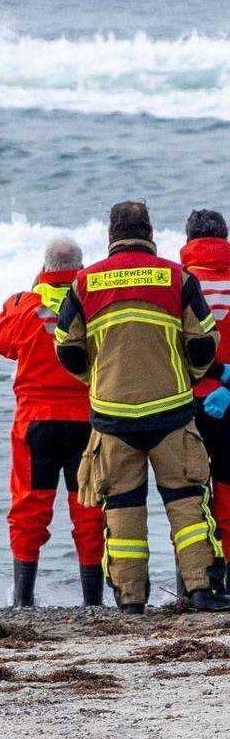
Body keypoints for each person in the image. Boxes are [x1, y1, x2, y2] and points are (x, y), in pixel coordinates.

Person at [54, 201, 230, 613]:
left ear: (110, 235)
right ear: (150, 233)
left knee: (122, 509)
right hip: (172, 412)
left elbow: (67, 348)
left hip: (112, 416)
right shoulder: (176, 277)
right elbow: (203, 342)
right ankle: (202, 589)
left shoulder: (84, 283)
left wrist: (97, 379)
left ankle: (131, 600)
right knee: (188, 503)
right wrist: (188, 375)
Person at [0, 238, 102, 607]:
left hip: (35, 424)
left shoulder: (23, 304)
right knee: (89, 510)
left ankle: (23, 599)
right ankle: (93, 602)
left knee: (28, 510)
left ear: (44, 267)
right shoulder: (96, 303)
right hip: (86, 422)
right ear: (81, 268)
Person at [180, 209, 230, 553]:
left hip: (185, 402)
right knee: (228, 490)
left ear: (188, 241)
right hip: (228, 400)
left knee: (188, 497)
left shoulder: (178, 283)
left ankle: (194, 575)